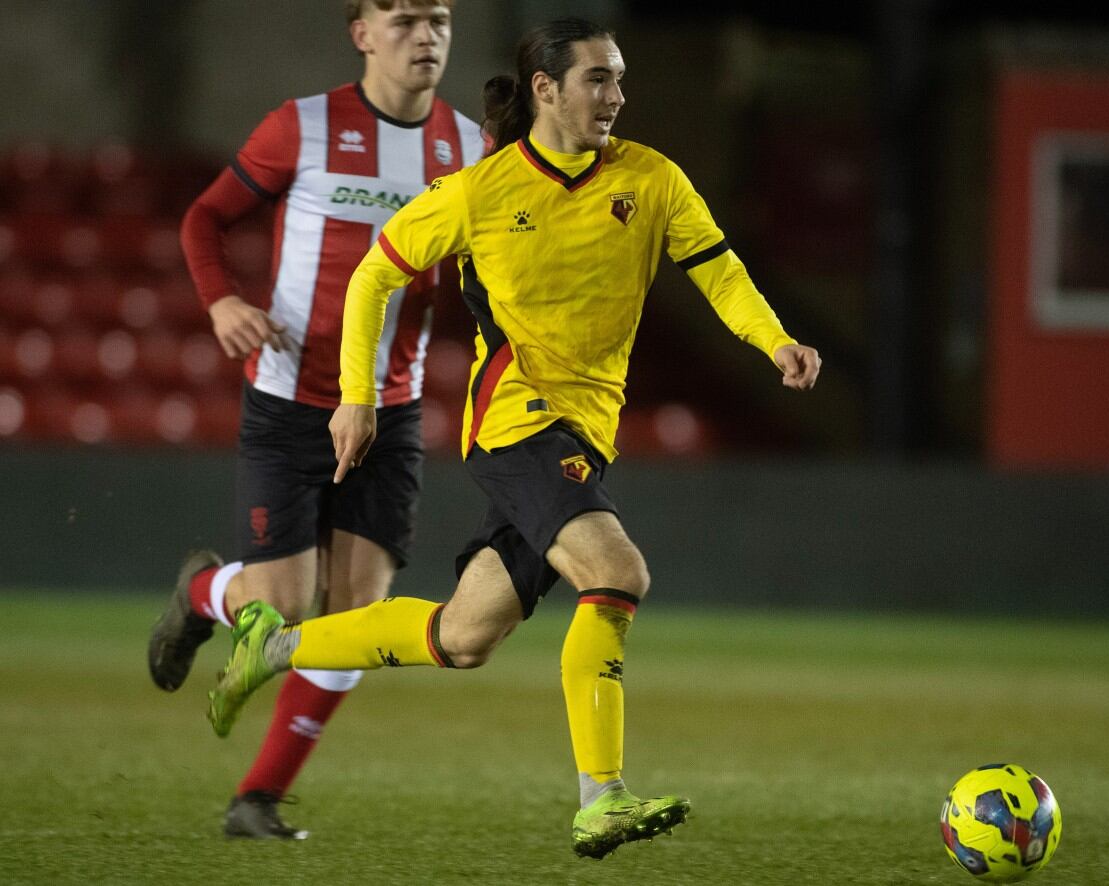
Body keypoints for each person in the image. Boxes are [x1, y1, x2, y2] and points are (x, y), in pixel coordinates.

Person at [207, 17, 821, 858]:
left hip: (586, 431)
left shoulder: (653, 180)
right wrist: (358, 396)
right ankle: (600, 797)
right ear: (546, 88)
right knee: (617, 571)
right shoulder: (482, 190)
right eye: (598, 79)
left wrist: (774, 339)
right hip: (516, 422)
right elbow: (376, 271)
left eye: (619, 78)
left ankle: (275, 647)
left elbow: (717, 268)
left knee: (462, 638)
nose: (616, 96)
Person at [147, 0, 484, 840]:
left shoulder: (472, 149)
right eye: (404, 19)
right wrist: (222, 299)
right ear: (361, 33)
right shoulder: (303, 126)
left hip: (389, 412)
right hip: (288, 403)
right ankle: (201, 594)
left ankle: (255, 800)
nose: (426, 36)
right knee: (289, 614)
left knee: (355, 623)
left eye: (439, 18)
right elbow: (204, 218)